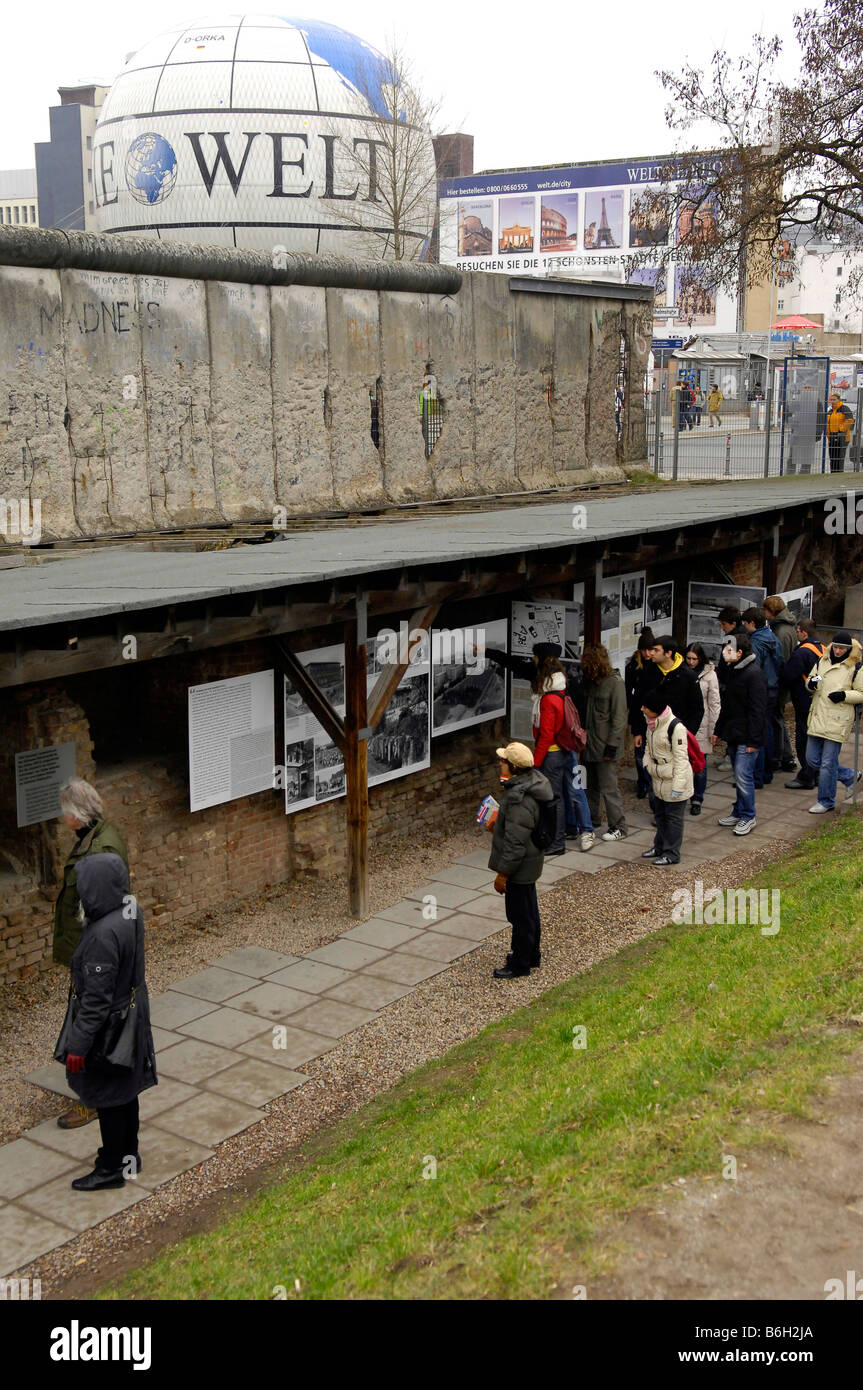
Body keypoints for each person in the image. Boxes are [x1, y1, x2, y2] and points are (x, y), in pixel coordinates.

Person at [56, 853, 157, 1190]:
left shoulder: (101, 936)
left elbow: (96, 1002)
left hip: (110, 1027)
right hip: (131, 1015)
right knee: (126, 1091)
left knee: (108, 1097)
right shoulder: (130, 909)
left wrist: (78, 1044)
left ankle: (112, 1166)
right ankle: (130, 1157)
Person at [53, 779, 128, 1131]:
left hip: (96, 950)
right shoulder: (94, 839)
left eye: (65, 813)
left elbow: (104, 906)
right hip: (92, 947)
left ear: (77, 815)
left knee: (93, 1018)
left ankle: (94, 1099)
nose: (62, 819)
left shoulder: (102, 849)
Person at [484, 641, 595, 853]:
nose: (532, 659)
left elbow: (546, 734)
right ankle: (581, 829)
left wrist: (536, 761)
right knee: (575, 790)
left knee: (556, 797)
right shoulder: (564, 684)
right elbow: (514, 663)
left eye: (535, 656)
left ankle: (561, 839)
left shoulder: (547, 699)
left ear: (541, 660)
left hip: (554, 752)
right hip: (568, 748)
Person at [487, 742, 554, 978]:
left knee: (519, 916)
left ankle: (520, 964)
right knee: (529, 911)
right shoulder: (531, 784)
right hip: (530, 861)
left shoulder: (518, 798)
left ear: (514, 767)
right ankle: (531, 955)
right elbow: (518, 829)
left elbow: (515, 844)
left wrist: (502, 874)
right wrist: (497, 826)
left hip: (521, 866)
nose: (500, 763)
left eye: (503, 761)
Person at [712, 635, 768, 835]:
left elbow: (758, 711)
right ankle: (739, 811)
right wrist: (718, 731)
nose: (723, 654)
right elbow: (727, 706)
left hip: (747, 736)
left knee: (744, 776)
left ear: (739, 653)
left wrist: (753, 740)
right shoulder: (733, 672)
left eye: (728, 650)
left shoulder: (754, 675)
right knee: (738, 775)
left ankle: (748, 816)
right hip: (735, 733)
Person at [804, 630, 863, 813]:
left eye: (842, 649)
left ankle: (826, 800)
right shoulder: (823, 660)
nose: (838, 651)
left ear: (849, 649)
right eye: (836, 647)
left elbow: (861, 693)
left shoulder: (856, 667)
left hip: (838, 719)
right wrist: (811, 684)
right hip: (818, 716)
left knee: (827, 764)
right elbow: (814, 680)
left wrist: (844, 695)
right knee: (812, 759)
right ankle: (850, 776)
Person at [581, 644, 629, 841]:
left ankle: (619, 826)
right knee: (588, 785)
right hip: (589, 744)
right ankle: (591, 820)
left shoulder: (615, 683)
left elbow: (619, 719)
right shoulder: (591, 682)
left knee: (609, 788)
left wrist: (612, 745)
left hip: (605, 745)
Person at [639, 698, 694, 865]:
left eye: (646, 706)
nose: (642, 709)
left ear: (655, 710)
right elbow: (649, 747)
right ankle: (660, 847)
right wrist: (647, 764)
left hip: (673, 780)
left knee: (673, 819)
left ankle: (672, 853)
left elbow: (681, 759)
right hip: (659, 778)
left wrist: (678, 786)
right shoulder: (651, 724)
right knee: (660, 815)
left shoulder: (676, 728)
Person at [742, 607, 785, 786]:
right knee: (767, 730)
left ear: (752, 623)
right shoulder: (774, 638)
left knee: (757, 733)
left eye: (745, 623)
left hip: (761, 692)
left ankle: (757, 776)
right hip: (773, 689)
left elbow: (754, 670)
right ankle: (767, 772)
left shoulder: (756, 643)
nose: (744, 627)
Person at [782, 619, 825, 790]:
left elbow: (788, 675)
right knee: (815, 739)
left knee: (803, 740)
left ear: (804, 633)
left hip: (803, 700)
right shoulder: (823, 647)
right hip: (818, 700)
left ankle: (806, 776)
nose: (796, 634)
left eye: (798, 631)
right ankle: (816, 774)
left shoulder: (802, 652)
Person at [763, 595, 800, 772]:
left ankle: (782, 757)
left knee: (777, 719)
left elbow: (781, 660)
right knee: (779, 719)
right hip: (783, 684)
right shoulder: (786, 628)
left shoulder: (781, 632)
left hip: (780, 685)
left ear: (772, 611)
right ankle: (786, 756)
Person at [685, 643, 720, 815]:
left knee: (700, 763)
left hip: (703, 724)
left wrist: (714, 729)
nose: (691, 662)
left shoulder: (710, 675)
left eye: (694, 659)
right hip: (685, 722)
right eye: (688, 658)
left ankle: (697, 798)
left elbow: (714, 703)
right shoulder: (683, 672)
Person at [625, 628, 659, 800]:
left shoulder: (657, 666)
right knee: (639, 752)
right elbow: (628, 691)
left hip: (654, 713)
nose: (647, 653)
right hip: (639, 713)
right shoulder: (632, 666)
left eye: (650, 649)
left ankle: (652, 781)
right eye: (644, 649)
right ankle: (643, 782)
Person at [645, 636, 705, 734]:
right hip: (652, 732)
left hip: (678, 733)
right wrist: (637, 731)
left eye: (656, 650)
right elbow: (640, 700)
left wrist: (688, 733)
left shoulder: (688, 675)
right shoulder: (649, 671)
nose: (651, 653)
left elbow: (697, 709)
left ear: (668, 653)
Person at [826, 393, 854, 473]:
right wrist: (828, 436)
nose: (832, 401)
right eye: (831, 400)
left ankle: (839, 474)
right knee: (833, 458)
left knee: (840, 458)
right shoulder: (830, 411)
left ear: (839, 399)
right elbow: (827, 425)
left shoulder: (844, 409)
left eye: (834, 399)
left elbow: (850, 420)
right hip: (832, 437)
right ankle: (833, 474)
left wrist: (840, 429)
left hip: (842, 437)